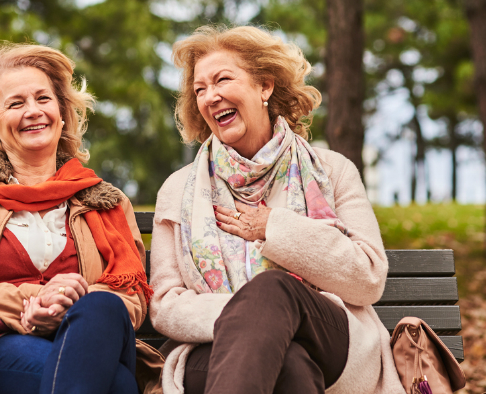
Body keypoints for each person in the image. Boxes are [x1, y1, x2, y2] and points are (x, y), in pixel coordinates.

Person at [149, 25, 405, 394]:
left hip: (328, 340)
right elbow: (166, 304)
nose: (210, 96)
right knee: (290, 366)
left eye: (222, 79)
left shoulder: (332, 171)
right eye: (200, 90)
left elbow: (368, 277)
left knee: (273, 290)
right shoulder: (178, 190)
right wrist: (255, 316)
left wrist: (276, 228)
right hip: (211, 349)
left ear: (264, 86)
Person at [0, 43, 160, 394]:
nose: (33, 111)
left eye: (44, 99)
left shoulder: (105, 199)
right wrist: (31, 302)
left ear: (61, 114)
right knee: (117, 384)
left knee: (101, 305)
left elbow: (131, 297)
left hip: (90, 340)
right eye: (16, 103)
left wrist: (72, 303)